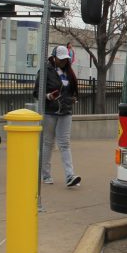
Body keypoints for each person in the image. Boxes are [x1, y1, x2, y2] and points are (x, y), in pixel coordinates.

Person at [34, 44, 81, 187]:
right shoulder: (45, 71)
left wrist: (72, 98)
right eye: (60, 59)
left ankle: (69, 175)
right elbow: (36, 93)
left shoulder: (68, 72)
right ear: (53, 58)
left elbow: (70, 91)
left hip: (65, 111)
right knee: (48, 143)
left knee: (64, 143)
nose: (63, 61)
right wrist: (48, 96)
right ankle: (46, 174)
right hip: (50, 112)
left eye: (65, 59)